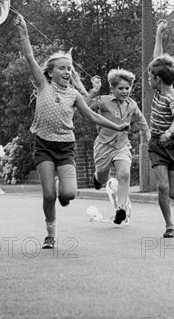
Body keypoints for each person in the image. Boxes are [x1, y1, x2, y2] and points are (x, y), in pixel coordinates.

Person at [15, 15, 130, 249]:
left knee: (68, 195)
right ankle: (51, 234)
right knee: (49, 195)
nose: (67, 71)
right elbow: (29, 56)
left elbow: (92, 115)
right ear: (50, 72)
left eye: (69, 68)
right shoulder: (43, 85)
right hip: (44, 146)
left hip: (65, 147)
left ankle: (62, 189)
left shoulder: (74, 95)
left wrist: (117, 126)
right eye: (62, 68)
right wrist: (24, 31)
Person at [86, 69, 150, 225]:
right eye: (121, 88)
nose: (125, 91)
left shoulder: (132, 105)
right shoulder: (104, 101)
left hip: (121, 145)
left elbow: (142, 123)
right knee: (102, 178)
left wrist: (149, 137)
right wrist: (94, 91)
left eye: (127, 88)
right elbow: (85, 108)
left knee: (124, 174)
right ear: (113, 89)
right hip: (103, 146)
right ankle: (97, 176)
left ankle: (121, 209)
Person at [147, 19, 174, 238]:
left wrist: (169, 132)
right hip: (156, 144)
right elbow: (157, 60)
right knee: (162, 187)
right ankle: (169, 224)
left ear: (158, 79)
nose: (148, 78)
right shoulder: (158, 91)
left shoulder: (172, 96)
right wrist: (159, 34)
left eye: (150, 77)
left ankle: (170, 209)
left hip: (173, 144)